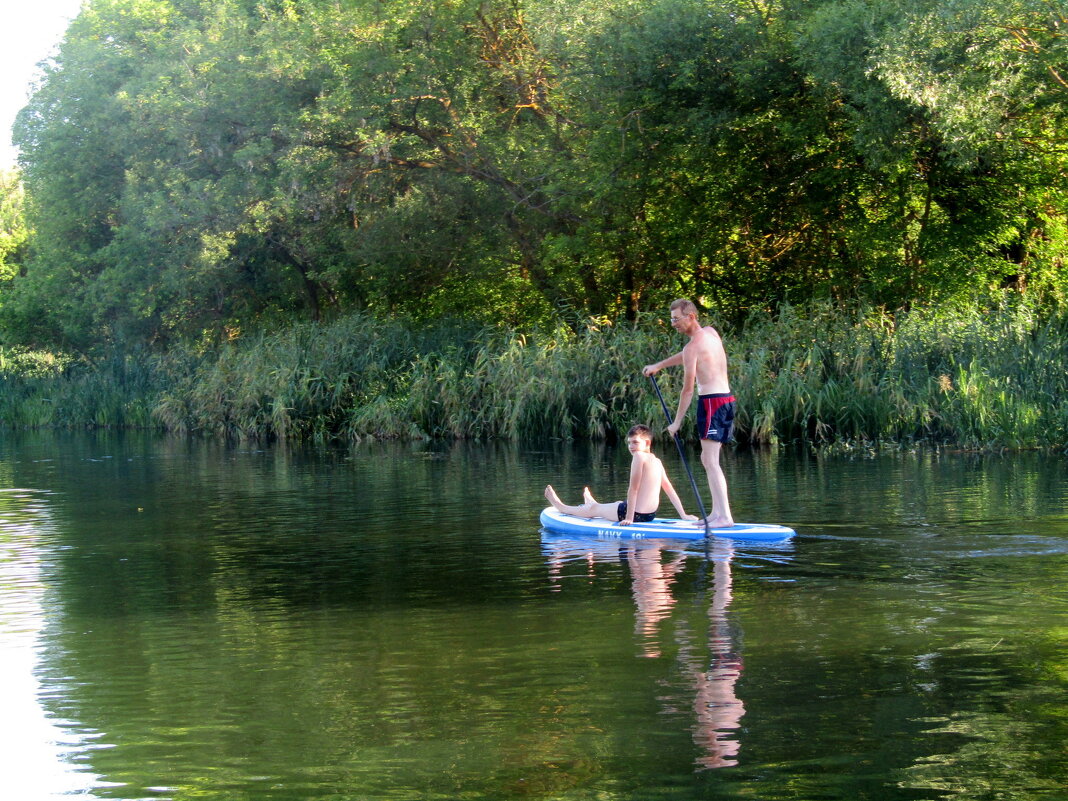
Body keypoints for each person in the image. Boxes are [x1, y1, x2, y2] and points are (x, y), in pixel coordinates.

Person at [643, 298, 735, 527]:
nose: (673, 324)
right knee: (707, 459)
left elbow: (687, 391)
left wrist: (676, 423)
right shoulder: (711, 333)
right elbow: (687, 356)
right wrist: (659, 365)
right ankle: (716, 514)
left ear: (691, 316)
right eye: (671, 319)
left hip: (712, 403)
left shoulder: (692, 346)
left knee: (711, 461)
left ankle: (724, 517)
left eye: (676, 319)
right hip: (725, 400)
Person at [543, 424, 697, 525]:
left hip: (634, 515)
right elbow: (669, 489)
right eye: (629, 443)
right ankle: (591, 502)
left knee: (594, 511)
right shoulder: (656, 461)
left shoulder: (639, 457)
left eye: (635, 442)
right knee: (616, 503)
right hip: (649, 516)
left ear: (647, 443)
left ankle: (561, 506)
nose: (631, 446)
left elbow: (633, 489)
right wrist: (683, 515)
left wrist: (629, 518)